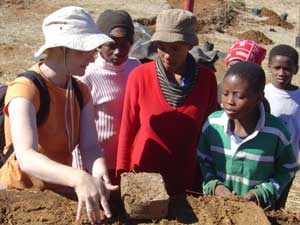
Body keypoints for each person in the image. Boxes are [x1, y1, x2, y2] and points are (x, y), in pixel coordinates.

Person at [0, 6, 118, 224]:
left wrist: (98, 170)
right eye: (86, 50)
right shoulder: (24, 90)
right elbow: (26, 157)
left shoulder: (81, 91)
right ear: (63, 48)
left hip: (59, 195)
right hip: (17, 194)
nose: (93, 58)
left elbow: (90, 147)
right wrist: (77, 176)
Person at [116, 8, 218, 195]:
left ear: (189, 46)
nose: (167, 55)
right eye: (161, 47)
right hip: (145, 175)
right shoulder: (140, 76)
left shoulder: (206, 79)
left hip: (187, 176)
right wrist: (122, 173)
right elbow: (127, 128)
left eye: (175, 48)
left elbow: (211, 131)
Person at [197, 61, 298, 209]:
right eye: (225, 94)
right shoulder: (213, 125)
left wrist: (260, 194)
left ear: (258, 98)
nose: (229, 101)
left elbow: (287, 169)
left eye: (239, 96)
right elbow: (202, 161)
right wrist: (214, 186)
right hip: (216, 209)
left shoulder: (276, 132)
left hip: (259, 212)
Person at [79, 10, 140, 185]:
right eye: (111, 45)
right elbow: (77, 125)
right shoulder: (87, 74)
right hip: (96, 162)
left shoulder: (136, 68)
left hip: (126, 160)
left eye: (125, 44)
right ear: (99, 43)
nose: (118, 51)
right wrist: (79, 168)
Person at [264, 44, 300, 160]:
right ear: (269, 67)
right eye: (277, 67)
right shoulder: (262, 93)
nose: (281, 73)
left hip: (288, 160)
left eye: (287, 69)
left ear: (296, 70)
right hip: (264, 158)